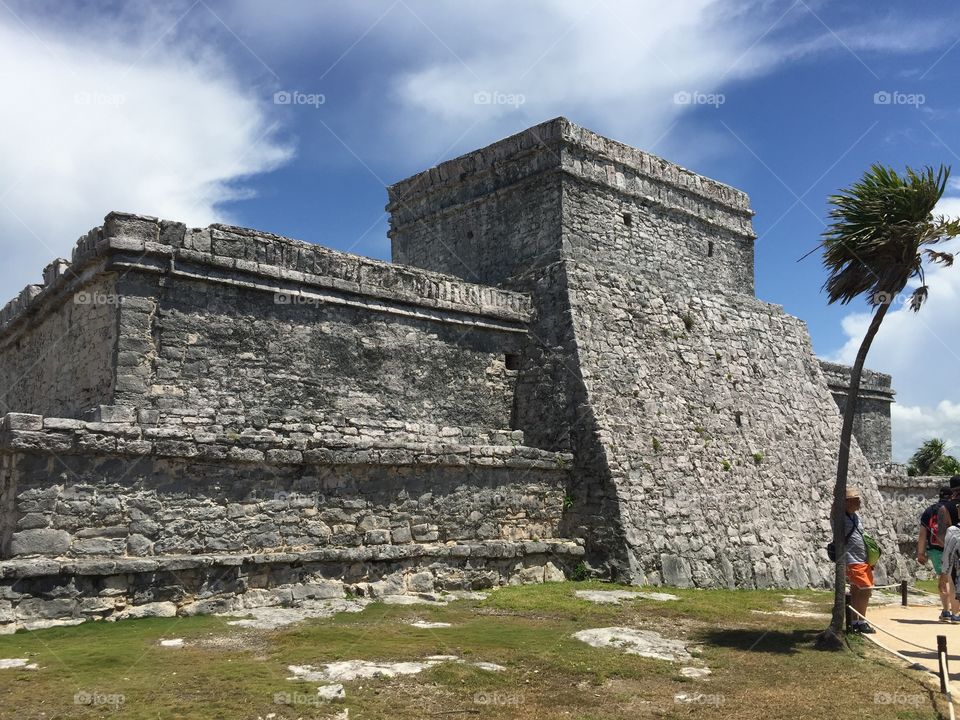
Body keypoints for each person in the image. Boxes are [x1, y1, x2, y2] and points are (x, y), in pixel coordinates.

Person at [919, 487, 953, 621]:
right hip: (954, 548)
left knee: (944, 578)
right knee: (952, 578)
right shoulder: (954, 508)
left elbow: (923, 533)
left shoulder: (930, 510)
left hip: (935, 550)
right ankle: (955, 610)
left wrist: (921, 553)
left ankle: (946, 611)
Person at [844, 487, 875, 633]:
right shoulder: (841, 517)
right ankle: (861, 622)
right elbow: (834, 510)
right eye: (855, 500)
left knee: (857, 590)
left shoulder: (855, 517)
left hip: (862, 560)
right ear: (847, 502)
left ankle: (855, 621)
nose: (859, 502)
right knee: (866, 589)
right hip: (853, 560)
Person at [939, 500, 960, 622]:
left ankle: (955, 614)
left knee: (953, 586)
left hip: (956, 565)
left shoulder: (953, 530)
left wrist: (944, 572)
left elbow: (947, 553)